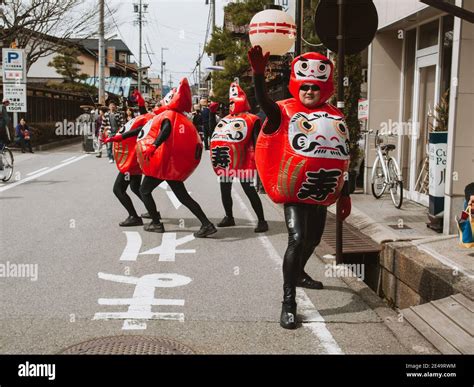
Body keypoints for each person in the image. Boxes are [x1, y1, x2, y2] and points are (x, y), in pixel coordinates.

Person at [248, 45, 351, 329]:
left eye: (315, 87)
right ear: (296, 85)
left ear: (325, 88)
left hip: (321, 190)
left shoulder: (335, 116)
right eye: (304, 86)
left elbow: (343, 156)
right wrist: (258, 74)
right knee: (297, 237)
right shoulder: (282, 112)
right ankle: (289, 301)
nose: (309, 91)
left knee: (314, 240)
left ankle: (301, 272)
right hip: (295, 187)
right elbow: (264, 101)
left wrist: (345, 192)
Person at [136, 78, 217, 238]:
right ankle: (206, 224)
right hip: (171, 167)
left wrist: (154, 146)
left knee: (144, 190)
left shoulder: (169, 116)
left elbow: (165, 130)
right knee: (183, 196)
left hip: (162, 166)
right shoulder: (181, 117)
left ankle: (156, 223)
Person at [210, 82, 268, 233]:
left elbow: (257, 141)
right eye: (230, 103)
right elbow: (214, 133)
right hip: (227, 159)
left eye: (233, 102)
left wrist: (259, 162)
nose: (231, 105)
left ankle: (262, 220)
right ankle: (229, 217)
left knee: (249, 190)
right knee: (225, 189)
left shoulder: (252, 119)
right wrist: (211, 114)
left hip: (245, 160)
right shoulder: (226, 119)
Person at [103, 111, 157, 227]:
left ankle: (134, 216)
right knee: (135, 187)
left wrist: (119, 137)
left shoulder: (153, 120)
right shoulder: (154, 118)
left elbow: (139, 130)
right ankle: (153, 213)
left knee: (118, 189)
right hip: (136, 159)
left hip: (132, 162)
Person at [0, 99, 11, 170]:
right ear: (6, 103)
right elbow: (7, 119)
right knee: (4, 141)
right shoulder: (3, 108)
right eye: (8, 103)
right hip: (1, 128)